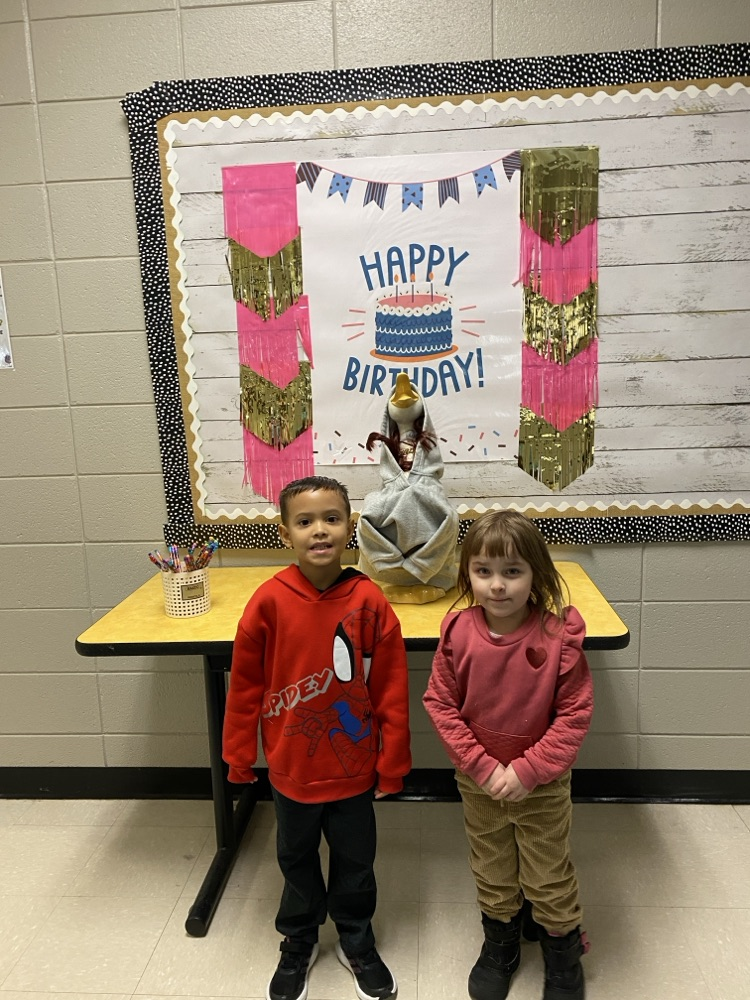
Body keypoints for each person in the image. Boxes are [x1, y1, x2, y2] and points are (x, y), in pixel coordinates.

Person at [223, 476, 411, 1000]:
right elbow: (245, 688)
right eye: (305, 521)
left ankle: (356, 938)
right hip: (292, 772)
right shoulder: (268, 602)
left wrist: (391, 762)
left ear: (350, 528)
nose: (319, 530)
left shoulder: (370, 601)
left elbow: (391, 689)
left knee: (356, 864)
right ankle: (299, 941)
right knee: (296, 862)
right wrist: (239, 755)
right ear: (285, 533)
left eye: (332, 518)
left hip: (354, 770)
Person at [423, 510, 593, 1000]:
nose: (497, 585)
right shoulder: (457, 633)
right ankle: (501, 940)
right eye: (483, 571)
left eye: (512, 572)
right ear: (467, 574)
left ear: (536, 574)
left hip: (542, 785)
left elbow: (574, 716)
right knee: (492, 865)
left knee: (547, 870)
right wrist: (481, 766)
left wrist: (528, 769)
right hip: (478, 783)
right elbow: (439, 702)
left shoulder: (557, 636)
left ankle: (563, 950)